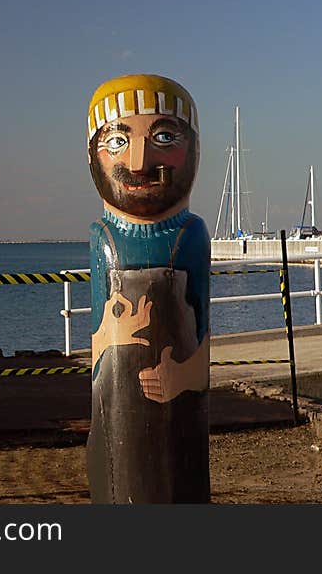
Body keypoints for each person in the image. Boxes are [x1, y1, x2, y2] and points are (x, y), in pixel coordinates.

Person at [85, 74, 210, 503]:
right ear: (91, 154)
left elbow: (204, 337)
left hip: (177, 416)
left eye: (163, 137)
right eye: (118, 142)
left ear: (193, 149)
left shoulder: (190, 235)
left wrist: (186, 375)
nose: (138, 161)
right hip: (114, 407)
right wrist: (111, 337)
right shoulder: (102, 236)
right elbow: (97, 340)